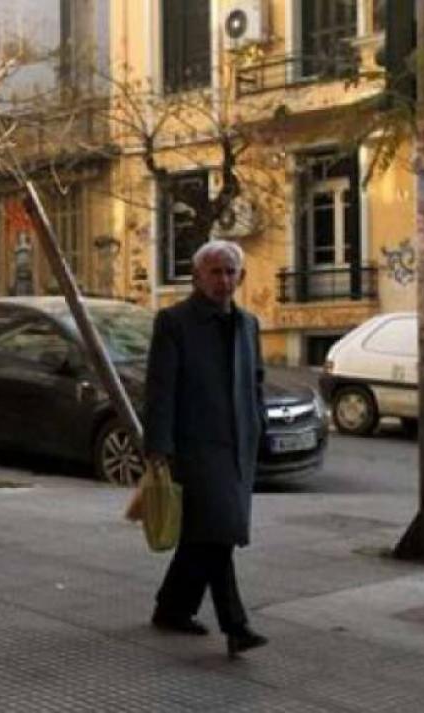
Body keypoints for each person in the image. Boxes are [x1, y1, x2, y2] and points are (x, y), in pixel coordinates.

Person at [142, 239, 268, 658]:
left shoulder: (248, 324)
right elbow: (160, 389)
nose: (223, 280)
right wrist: (158, 446)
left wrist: (260, 425)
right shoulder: (174, 322)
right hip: (194, 446)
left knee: (204, 535)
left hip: (237, 445)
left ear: (241, 277)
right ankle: (236, 625)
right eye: (215, 272)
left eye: (230, 272)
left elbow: (256, 380)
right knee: (218, 532)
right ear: (197, 277)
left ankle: (172, 608)